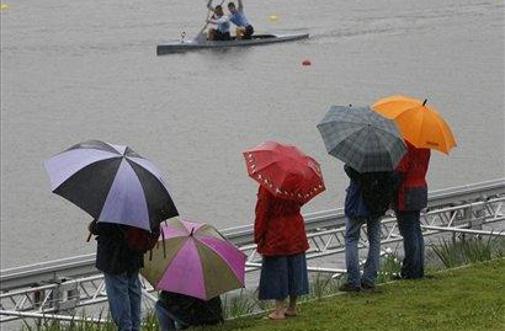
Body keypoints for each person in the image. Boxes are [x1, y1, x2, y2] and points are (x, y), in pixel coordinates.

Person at [88, 220, 159, 331]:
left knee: (119, 294)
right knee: (133, 290)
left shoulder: (113, 210)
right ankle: (135, 327)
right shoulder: (142, 208)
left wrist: (93, 225)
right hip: (134, 256)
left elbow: (101, 228)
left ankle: (126, 328)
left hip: (114, 259)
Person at [254, 180, 309, 320]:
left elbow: (262, 211)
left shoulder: (268, 185)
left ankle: (278, 311)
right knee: (295, 268)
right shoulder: (298, 183)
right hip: (296, 229)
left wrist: (258, 235)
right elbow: (301, 201)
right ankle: (292, 307)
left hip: (277, 232)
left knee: (277, 271)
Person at [339, 165, 399, 292]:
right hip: (377, 202)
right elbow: (393, 177)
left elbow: (350, 170)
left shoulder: (359, 158)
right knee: (375, 240)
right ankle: (370, 278)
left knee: (351, 239)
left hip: (358, 201)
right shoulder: (385, 158)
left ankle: (353, 280)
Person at [394, 141, 431, 279]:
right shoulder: (425, 144)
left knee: (408, 232)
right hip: (420, 187)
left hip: (407, 191)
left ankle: (411, 270)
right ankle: (419, 268)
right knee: (416, 230)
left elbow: (401, 170)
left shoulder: (406, 145)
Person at [155, 291, 223, 330]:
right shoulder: (205, 273)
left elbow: (165, 299)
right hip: (214, 314)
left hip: (198, 317)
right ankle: (181, 326)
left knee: (159, 305)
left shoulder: (182, 276)